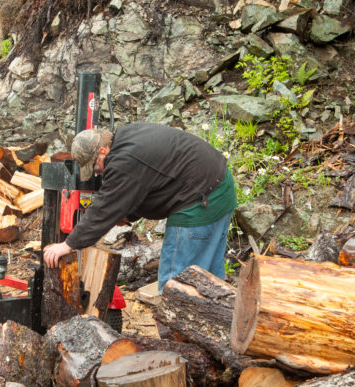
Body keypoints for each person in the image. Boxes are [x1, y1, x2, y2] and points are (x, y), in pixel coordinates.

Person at [43, 123, 236, 293]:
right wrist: (128, 215)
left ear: (102, 151)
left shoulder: (123, 161)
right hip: (218, 188)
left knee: (176, 286)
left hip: (200, 202)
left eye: (96, 166)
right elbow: (148, 182)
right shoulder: (126, 137)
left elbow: (103, 209)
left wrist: (68, 245)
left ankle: (176, 333)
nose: (99, 172)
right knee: (210, 284)